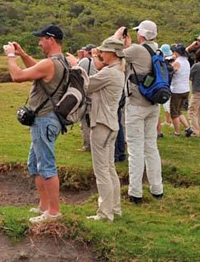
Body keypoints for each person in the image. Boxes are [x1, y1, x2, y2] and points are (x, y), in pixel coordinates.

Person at [4, 24, 67, 223]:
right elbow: (36, 68)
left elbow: (18, 76)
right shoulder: (59, 61)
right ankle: (44, 206)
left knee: (46, 165)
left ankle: (54, 212)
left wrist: (11, 56)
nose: (39, 43)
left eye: (41, 39)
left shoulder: (50, 64)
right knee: (36, 163)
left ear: (50, 39)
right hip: (49, 119)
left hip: (44, 119)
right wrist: (22, 53)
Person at [68, 37, 125, 221]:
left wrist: (76, 65)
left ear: (113, 54)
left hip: (101, 124)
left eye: (104, 51)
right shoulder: (116, 71)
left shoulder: (109, 73)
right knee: (109, 168)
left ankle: (105, 213)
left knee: (101, 170)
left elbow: (86, 85)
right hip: (111, 124)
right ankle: (115, 208)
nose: (101, 54)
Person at [114, 20, 164, 203]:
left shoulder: (136, 50)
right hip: (153, 104)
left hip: (136, 105)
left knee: (135, 149)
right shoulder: (157, 50)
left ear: (141, 34)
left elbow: (111, 53)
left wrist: (118, 35)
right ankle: (157, 188)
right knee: (151, 146)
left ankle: (135, 192)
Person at [77, 45, 98, 152]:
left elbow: (76, 71)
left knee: (85, 121)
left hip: (87, 94)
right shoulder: (99, 61)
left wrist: (79, 59)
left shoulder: (85, 61)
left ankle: (88, 145)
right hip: (98, 95)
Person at [169, 44, 193, 137]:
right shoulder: (186, 62)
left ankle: (177, 132)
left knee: (174, 112)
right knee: (179, 111)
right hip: (186, 89)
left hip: (177, 90)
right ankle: (188, 128)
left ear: (176, 53)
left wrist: (170, 64)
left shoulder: (177, 62)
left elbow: (172, 71)